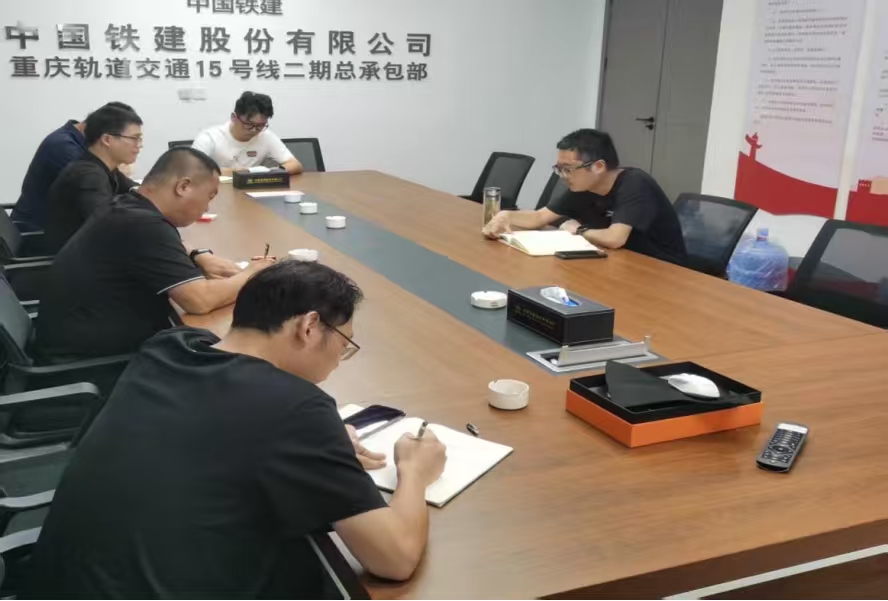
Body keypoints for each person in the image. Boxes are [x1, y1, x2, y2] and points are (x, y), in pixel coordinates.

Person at [25, 260, 447, 597]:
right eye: (344, 343)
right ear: (308, 327)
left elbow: (230, 429)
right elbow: (394, 559)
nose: (340, 358)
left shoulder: (169, 347)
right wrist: (414, 472)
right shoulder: (297, 409)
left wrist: (321, 446)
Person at [34, 147, 274, 362]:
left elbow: (152, 248)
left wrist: (197, 255)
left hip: (77, 341)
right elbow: (199, 301)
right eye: (210, 196)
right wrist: (253, 274)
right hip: (94, 365)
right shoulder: (144, 224)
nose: (207, 207)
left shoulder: (127, 206)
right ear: (183, 187)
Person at [482, 129, 687, 265]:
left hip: (661, 270)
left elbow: (615, 238)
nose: (563, 176)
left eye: (568, 169)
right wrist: (506, 215)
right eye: (559, 169)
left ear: (598, 166)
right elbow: (539, 217)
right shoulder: (583, 187)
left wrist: (578, 230)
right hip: (617, 262)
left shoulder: (635, 183)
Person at [10, 101, 135, 232]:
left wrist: (137, 189)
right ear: (106, 136)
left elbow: (118, 180)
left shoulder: (82, 144)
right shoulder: (65, 148)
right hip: (36, 231)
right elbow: (99, 191)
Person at [44, 105, 143, 253]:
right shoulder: (88, 176)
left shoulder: (104, 167)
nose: (140, 145)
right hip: (77, 260)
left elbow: (136, 190)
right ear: (107, 139)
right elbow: (106, 228)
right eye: (135, 138)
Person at [192, 91, 303, 176]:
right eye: (249, 124)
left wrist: (267, 172)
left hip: (253, 191)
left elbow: (295, 165)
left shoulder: (266, 136)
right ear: (234, 117)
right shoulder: (210, 137)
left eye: (261, 125)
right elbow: (192, 169)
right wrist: (241, 172)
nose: (254, 130)